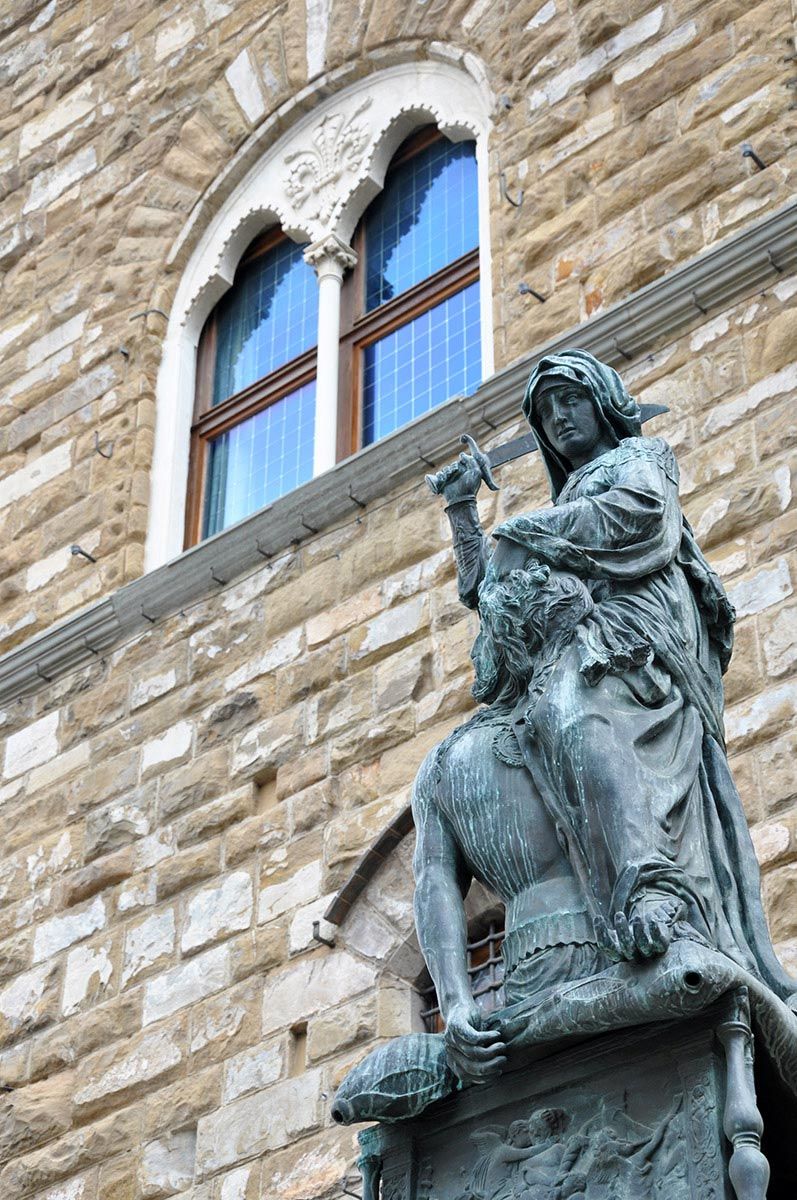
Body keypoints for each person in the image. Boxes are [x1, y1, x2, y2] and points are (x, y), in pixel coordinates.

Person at [419, 348, 794, 1084]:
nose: (559, 419)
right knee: (547, 701)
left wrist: (526, 528)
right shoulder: (551, 532)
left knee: (570, 705)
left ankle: (648, 889)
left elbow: (639, 519)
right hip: (579, 640)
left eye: (571, 400)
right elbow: (486, 593)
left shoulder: (639, 459)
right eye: (545, 410)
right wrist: (465, 509)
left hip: (636, 640)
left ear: (603, 401)